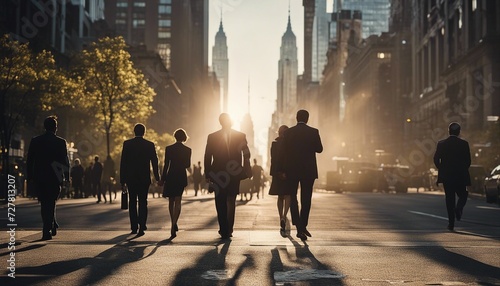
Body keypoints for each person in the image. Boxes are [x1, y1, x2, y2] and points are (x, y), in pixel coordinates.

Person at [204, 113, 251, 239]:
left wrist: (208, 174)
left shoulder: (213, 137)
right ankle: (229, 228)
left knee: (222, 201)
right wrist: (246, 169)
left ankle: (224, 229)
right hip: (230, 173)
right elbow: (247, 154)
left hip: (222, 173)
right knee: (230, 200)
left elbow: (207, 156)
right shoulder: (239, 136)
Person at [281, 110, 323, 241]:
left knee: (293, 197)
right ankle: (302, 226)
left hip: (292, 170)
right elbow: (319, 149)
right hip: (308, 171)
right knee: (306, 199)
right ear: (307, 119)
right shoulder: (313, 132)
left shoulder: (288, 133)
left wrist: (282, 170)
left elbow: (283, 152)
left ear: (296, 118)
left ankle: (298, 225)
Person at [26, 116, 70, 240]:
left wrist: (29, 177)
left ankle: (49, 225)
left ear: (44, 127)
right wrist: (67, 177)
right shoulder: (61, 142)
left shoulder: (36, 141)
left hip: (40, 176)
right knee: (51, 201)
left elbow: (30, 160)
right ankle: (48, 227)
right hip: (55, 177)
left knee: (44, 202)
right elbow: (65, 161)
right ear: (55, 128)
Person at [120, 123, 160, 236]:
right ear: (144, 132)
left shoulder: (127, 144)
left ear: (134, 131)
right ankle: (142, 225)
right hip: (144, 178)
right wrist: (157, 178)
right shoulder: (149, 145)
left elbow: (123, 163)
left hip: (131, 178)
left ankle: (134, 227)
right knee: (143, 202)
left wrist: (122, 181)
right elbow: (154, 162)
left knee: (132, 202)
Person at [433, 122, 471, 231]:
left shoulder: (441, 144)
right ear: (459, 132)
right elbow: (468, 161)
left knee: (449, 200)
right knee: (463, 194)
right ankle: (459, 208)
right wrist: (462, 170)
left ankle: (451, 224)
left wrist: (442, 169)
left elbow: (436, 159)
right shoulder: (464, 144)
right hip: (460, 176)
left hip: (447, 177)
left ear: (448, 131)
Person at [159, 128, 191, 238]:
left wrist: (162, 179)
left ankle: (173, 222)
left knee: (171, 201)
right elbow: (187, 165)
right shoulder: (188, 150)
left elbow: (166, 165)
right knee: (178, 200)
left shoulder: (169, 149)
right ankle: (174, 224)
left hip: (171, 176)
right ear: (184, 137)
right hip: (181, 176)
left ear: (175, 136)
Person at [269, 125, 291, 236]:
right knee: (288, 195)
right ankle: (285, 215)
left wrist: (277, 172)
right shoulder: (290, 144)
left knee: (280, 196)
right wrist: (286, 172)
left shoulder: (274, 144)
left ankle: (280, 216)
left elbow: (273, 159)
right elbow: (291, 159)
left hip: (277, 173)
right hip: (288, 173)